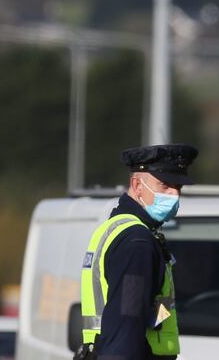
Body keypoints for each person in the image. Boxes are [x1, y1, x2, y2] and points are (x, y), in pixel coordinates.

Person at [74, 143, 198, 360]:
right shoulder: (137, 242)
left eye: (178, 188)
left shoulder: (117, 228)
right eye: (165, 185)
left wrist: (158, 312)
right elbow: (127, 319)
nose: (174, 195)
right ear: (137, 184)